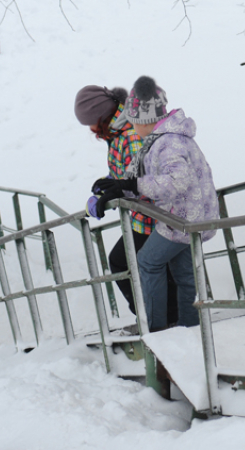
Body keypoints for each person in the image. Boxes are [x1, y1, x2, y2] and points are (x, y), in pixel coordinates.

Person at [91, 76, 219, 332]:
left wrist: (132, 186)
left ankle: (156, 330)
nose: (131, 129)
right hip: (191, 218)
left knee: (148, 262)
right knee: (184, 275)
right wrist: (114, 188)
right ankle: (189, 327)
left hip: (181, 219)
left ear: (143, 121)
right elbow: (140, 176)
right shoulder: (163, 138)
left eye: (132, 123)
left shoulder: (167, 143)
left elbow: (177, 181)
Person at [74, 84, 177, 325]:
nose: (90, 129)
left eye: (91, 122)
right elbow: (130, 169)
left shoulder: (129, 135)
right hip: (145, 217)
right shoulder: (120, 132)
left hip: (156, 217)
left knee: (128, 263)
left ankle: (160, 319)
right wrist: (108, 183)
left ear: (102, 116)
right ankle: (159, 317)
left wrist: (118, 189)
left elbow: (146, 178)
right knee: (137, 264)